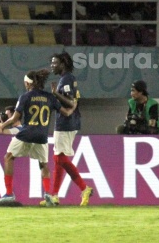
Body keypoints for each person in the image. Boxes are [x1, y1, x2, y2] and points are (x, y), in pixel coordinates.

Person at [0, 69, 79, 205]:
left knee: (9, 157)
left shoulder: (25, 97)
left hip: (26, 133)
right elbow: (66, 113)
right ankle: (47, 193)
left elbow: (15, 118)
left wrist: (2, 125)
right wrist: (73, 106)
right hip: (42, 136)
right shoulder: (50, 97)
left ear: (28, 84)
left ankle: (9, 193)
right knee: (43, 164)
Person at [42, 52, 94, 207]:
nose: (52, 65)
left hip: (66, 122)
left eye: (54, 62)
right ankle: (55, 195)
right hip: (67, 122)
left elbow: (71, 103)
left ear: (63, 64)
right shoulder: (67, 79)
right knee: (58, 157)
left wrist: (55, 94)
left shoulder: (66, 79)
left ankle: (84, 188)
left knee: (59, 159)